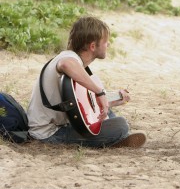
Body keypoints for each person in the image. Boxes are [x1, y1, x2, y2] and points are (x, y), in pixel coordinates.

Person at [27, 16, 147, 148]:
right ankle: (116, 138)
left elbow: (81, 107)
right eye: (106, 41)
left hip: (53, 128)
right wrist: (100, 93)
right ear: (93, 46)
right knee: (121, 125)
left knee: (110, 116)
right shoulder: (69, 58)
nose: (109, 44)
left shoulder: (77, 66)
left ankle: (115, 138)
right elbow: (66, 64)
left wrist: (111, 101)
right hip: (49, 134)